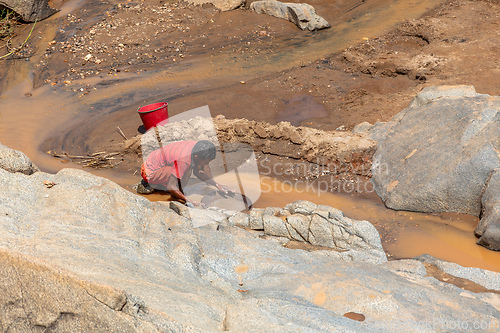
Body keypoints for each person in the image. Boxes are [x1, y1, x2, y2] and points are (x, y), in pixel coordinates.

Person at [137, 140, 232, 206]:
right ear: (196, 157)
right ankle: (150, 184)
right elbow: (171, 186)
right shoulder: (184, 161)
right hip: (149, 171)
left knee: (191, 168)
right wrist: (189, 200)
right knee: (185, 171)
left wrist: (217, 184)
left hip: (158, 160)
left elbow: (199, 171)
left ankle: (175, 188)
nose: (207, 164)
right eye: (206, 161)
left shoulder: (198, 148)